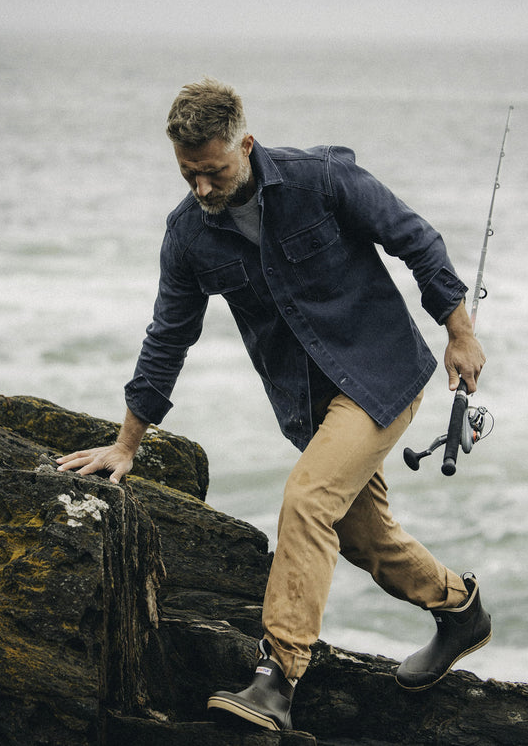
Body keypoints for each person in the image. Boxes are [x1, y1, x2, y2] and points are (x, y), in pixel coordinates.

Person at [57, 78, 491, 732]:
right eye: (188, 175)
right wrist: (127, 443)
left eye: (213, 171)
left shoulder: (319, 179)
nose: (201, 189)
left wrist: (460, 331)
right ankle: (460, 609)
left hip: (381, 371)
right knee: (361, 534)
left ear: (246, 145)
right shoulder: (188, 236)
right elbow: (167, 338)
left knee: (308, 499)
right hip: (308, 404)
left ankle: (277, 676)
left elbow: (414, 238)